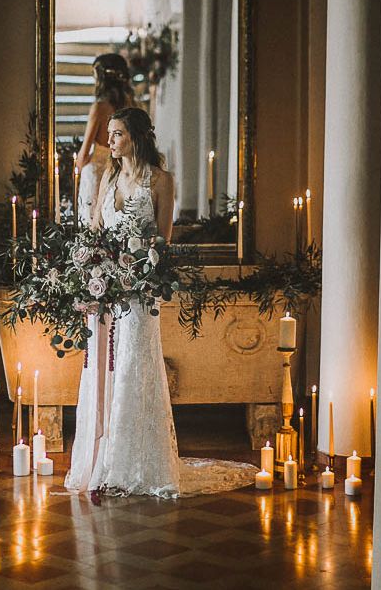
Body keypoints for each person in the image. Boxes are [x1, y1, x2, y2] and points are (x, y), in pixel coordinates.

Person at [65, 107, 258, 498]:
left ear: (134, 137)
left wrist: (134, 271)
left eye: (116, 134)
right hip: (105, 294)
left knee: (134, 368)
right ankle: (103, 459)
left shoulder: (161, 180)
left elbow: (162, 242)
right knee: (103, 371)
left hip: (139, 296)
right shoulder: (108, 175)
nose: (110, 142)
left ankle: (136, 461)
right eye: (110, 134)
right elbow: (97, 232)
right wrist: (95, 268)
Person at [75, 53, 134, 225]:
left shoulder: (99, 108)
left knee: (92, 226)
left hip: (96, 174)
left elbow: (83, 155)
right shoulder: (132, 107)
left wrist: (78, 165)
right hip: (122, 173)